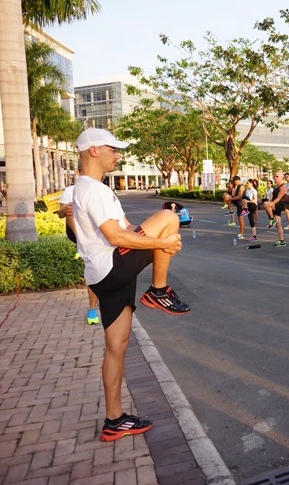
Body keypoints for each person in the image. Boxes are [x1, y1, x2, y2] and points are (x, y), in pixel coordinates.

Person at [72, 128, 189, 442]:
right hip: (113, 265)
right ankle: (159, 290)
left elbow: (125, 227)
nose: (117, 154)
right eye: (113, 149)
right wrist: (163, 240)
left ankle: (114, 420)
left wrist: (162, 245)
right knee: (168, 217)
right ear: (94, 150)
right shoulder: (92, 189)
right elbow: (116, 236)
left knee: (116, 349)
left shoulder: (89, 188)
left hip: (102, 277)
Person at [57, 179, 99, 325]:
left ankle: (93, 309)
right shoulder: (70, 190)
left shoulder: (101, 190)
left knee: (94, 271)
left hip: (96, 234)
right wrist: (66, 209)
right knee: (70, 209)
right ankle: (80, 245)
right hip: (77, 233)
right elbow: (60, 213)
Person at [263, 171, 289, 247]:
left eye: (277, 176)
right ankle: (282, 241)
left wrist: (271, 204)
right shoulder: (276, 187)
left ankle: (272, 219)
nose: (275, 178)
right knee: (278, 224)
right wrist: (270, 203)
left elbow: (278, 198)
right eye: (275, 176)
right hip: (275, 204)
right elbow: (272, 197)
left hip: (279, 204)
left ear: (282, 178)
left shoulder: (283, 187)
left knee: (266, 204)